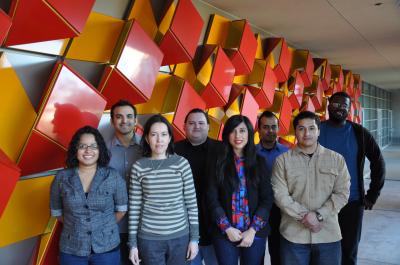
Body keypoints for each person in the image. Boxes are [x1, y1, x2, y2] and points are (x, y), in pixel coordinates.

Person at [272, 111, 350, 265]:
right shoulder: (282, 161)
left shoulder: (337, 159)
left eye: (312, 128)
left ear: (319, 131)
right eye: (301, 129)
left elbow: (342, 193)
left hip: (328, 235)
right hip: (294, 237)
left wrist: (319, 216)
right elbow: (280, 196)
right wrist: (306, 217)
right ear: (295, 132)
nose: (307, 133)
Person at [319, 92, 385, 265]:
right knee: (321, 252)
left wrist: (372, 195)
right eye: (336, 104)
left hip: (352, 203)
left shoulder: (359, 133)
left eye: (344, 106)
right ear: (328, 105)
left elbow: (378, 162)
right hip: (319, 203)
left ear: (349, 110)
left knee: (348, 252)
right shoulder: (316, 129)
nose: (340, 109)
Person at [50, 126, 128, 265]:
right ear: (76, 150)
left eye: (93, 146)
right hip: (71, 249)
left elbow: (121, 210)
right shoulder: (62, 178)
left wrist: (102, 226)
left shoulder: (113, 176)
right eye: (82, 146)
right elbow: (57, 212)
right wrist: (78, 226)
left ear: (100, 150)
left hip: (107, 248)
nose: (88, 150)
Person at [128, 114, 199, 265]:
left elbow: (192, 205)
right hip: (149, 240)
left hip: (180, 237)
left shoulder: (181, 163)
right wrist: (133, 244)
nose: (159, 140)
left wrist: (194, 239)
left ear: (169, 138)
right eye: (154, 135)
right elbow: (134, 208)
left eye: (164, 134)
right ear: (147, 138)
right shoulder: (139, 167)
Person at [207, 114, 273, 265]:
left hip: (253, 233)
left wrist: (252, 230)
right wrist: (227, 228)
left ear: (249, 134)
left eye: (242, 131)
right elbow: (211, 198)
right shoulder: (217, 162)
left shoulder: (260, 162)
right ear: (227, 134)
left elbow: (267, 199)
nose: (238, 136)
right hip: (225, 233)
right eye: (233, 131)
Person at [175, 108, 221, 265]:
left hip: (216, 225)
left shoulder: (222, 150)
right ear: (184, 126)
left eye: (201, 123)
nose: (197, 127)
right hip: (184, 227)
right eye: (191, 123)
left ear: (208, 126)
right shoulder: (173, 150)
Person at [106, 100, 142, 265]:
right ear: (112, 121)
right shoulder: (102, 151)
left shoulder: (149, 146)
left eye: (129, 116)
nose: (124, 121)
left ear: (135, 120)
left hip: (145, 225)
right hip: (115, 226)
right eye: (118, 117)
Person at [256, 110, 289, 265]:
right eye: (266, 127)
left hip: (280, 209)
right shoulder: (250, 153)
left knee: (279, 253)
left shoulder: (287, 153)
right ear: (258, 129)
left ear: (278, 129)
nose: (270, 131)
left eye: (274, 127)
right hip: (257, 210)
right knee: (256, 254)